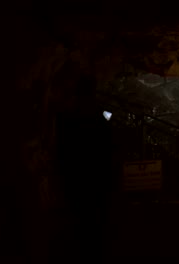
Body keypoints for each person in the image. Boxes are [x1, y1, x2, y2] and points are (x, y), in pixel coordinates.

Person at [55, 72, 114, 263]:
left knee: (81, 225)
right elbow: (109, 146)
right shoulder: (98, 117)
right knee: (96, 226)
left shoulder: (68, 117)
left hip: (77, 179)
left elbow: (63, 148)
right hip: (96, 180)